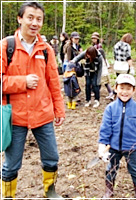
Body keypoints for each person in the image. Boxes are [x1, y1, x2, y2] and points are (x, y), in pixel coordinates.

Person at [0, 2, 65, 199]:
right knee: (12, 163)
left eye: (39, 19)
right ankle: (8, 196)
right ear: (20, 19)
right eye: (30, 17)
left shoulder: (46, 50)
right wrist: (22, 82)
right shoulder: (6, 46)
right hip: (15, 116)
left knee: (52, 156)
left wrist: (59, 109)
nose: (34, 23)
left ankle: (50, 191)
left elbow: (53, 82)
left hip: (42, 114)